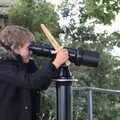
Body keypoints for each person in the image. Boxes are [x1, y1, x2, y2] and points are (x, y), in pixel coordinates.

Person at [0, 25, 69, 120]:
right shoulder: (3, 65)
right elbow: (30, 82)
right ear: (15, 48)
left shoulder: (26, 64)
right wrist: (55, 63)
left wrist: (56, 63)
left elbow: (42, 84)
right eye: (29, 48)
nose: (31, 51)